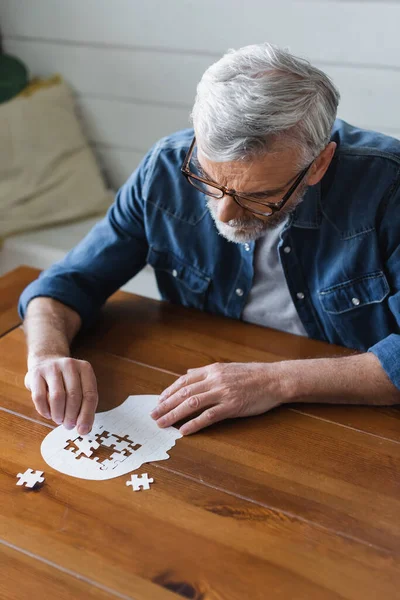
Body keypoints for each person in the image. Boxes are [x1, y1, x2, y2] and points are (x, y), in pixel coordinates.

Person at [19, 43, 400, 437]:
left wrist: (277, 381)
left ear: (318, 164)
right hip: (202, 402)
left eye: (258, 196)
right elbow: (69, 281)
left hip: (354, 423)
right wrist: (45, 356)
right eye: (208, 180)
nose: (225, 215)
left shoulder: (390, 189)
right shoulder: (165, 168)